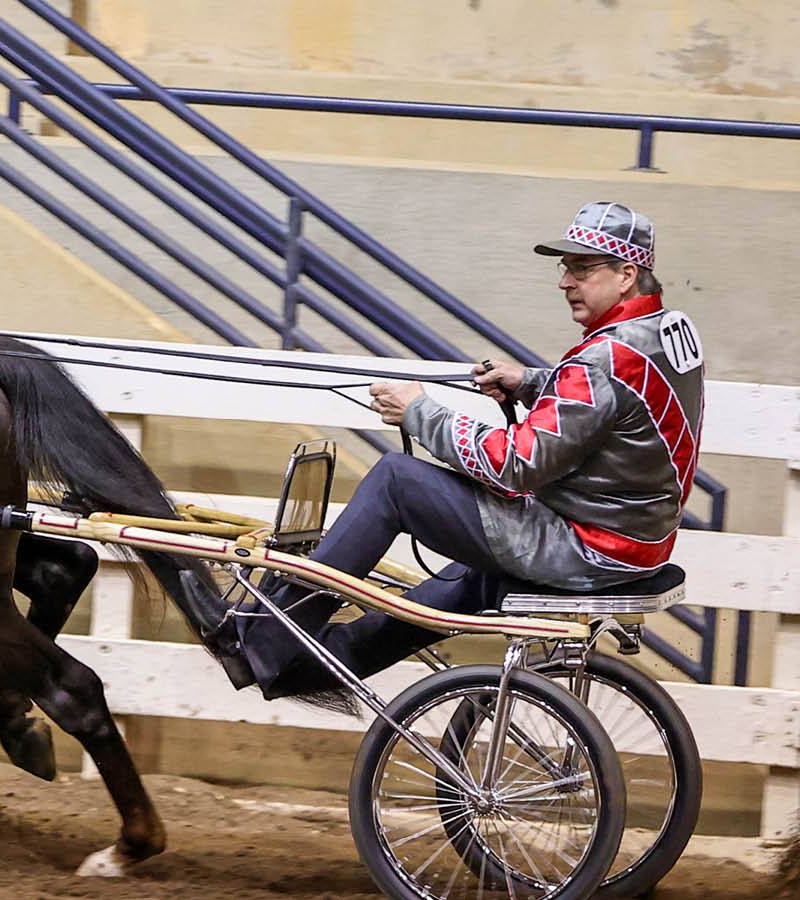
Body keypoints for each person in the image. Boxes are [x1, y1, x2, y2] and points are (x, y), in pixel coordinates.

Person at [191, 202, 707, 700]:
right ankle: (327, 662)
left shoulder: (603, 359)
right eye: (564, 267)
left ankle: (266, 639)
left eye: (581, 267)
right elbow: (623, 408)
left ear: (626, 273)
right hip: (633, 542)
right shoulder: (661, 332)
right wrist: (531, 382)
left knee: (397, 481)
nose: (564, 281)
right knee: (471, 577)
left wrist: (420, 411)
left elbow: (514, 465)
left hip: (587, 545)